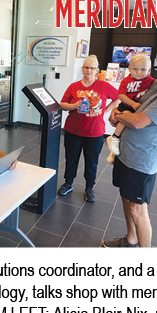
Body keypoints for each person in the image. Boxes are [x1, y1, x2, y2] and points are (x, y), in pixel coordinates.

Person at [103, 46, 157, 248]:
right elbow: (136, 103)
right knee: (126, 198)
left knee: (137, 208)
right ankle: (131, 239)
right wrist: (118, 110)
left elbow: (139, 121)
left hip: (142, 160)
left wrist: (119, 116)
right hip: (126, 152)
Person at [58, 55, 119, 204]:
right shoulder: (74, 86)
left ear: (97, 70)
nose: (89, 71)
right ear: (82, 69)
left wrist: (106, 109)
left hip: (95, 133)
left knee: (91, 162)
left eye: (92, 68)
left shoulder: (103, 86)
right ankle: (68, 183)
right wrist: (73, 106)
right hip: (73, 130)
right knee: (71, 159)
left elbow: (118, 98)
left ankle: (89, 188)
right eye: (86, 67)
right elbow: (62, 104)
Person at [106, 53, 155, 161]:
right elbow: (121, 95)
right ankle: (114, 137)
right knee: (127, 117)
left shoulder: (151, 81)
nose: (138, 72)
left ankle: (113, 153)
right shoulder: (126, 81)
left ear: (149, 70)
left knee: (127, 131)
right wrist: (132, 104)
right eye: (135, 69)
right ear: (129, 69)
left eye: (143, 69)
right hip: (126, 106)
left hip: (138, 109)